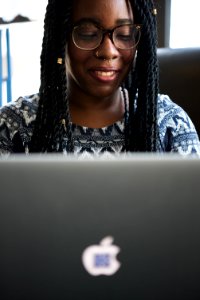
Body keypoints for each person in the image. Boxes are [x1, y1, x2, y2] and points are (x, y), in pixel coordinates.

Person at [0, 0, 199, 156]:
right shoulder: (11, 127)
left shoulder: (170, 124)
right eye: (88, 33)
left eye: (124, 34)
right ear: (60, 36)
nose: (108, 51)